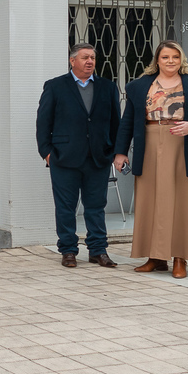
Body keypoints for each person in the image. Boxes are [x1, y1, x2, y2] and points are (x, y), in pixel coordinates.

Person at [114, 40, 188, 278]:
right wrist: (120, 152)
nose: (170, 61)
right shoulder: (140, 86)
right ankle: (156, 257)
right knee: (151, 201)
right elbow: (127, 122)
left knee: (183, 202)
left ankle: (180, 258)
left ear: (181, 59)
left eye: (175, 57)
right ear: (157, 60)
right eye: (165, 57)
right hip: (149, 145)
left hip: (183, 145)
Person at [35, 42, 122, 269]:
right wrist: (47, 152)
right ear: (72, 61)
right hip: (64, 158)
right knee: (65, 207)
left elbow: (116, 123)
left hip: (97, 157)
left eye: (92, 57)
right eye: (84, 57)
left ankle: (98, 250)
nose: (90, 61)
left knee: (96, 206)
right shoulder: (55, 86)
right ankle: (68, 250)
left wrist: (112, 151)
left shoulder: (107, 87)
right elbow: (43, 122)